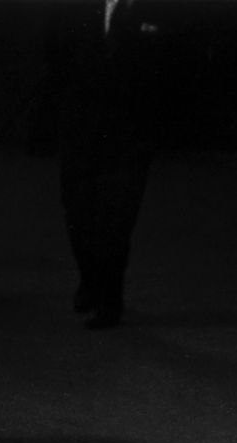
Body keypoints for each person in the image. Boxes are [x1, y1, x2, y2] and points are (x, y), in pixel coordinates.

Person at [44, 0, 173, 329]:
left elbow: (173, 68)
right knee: (77, 213)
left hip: (130, 135)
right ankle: (89, 279)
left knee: (116, 221)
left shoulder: (159, 8)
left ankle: (110, 300)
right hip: (80, 130)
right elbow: (55, 60)